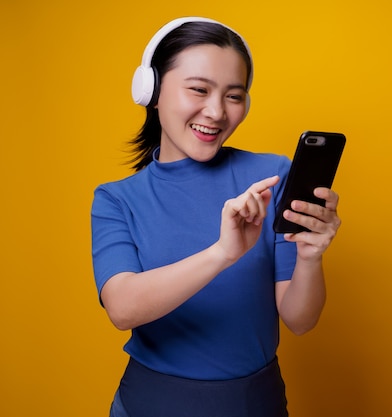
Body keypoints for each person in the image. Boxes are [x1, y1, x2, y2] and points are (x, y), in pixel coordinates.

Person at [90, 17, 341, 417]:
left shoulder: (272, 178)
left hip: (257, 404)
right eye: (199, 90)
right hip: (151, 405)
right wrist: (223, 252)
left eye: (234, 95)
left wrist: (311, 257)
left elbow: (300, 320)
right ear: (151, 91)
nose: (216, 111)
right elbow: (122, 308)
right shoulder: (117, 200)